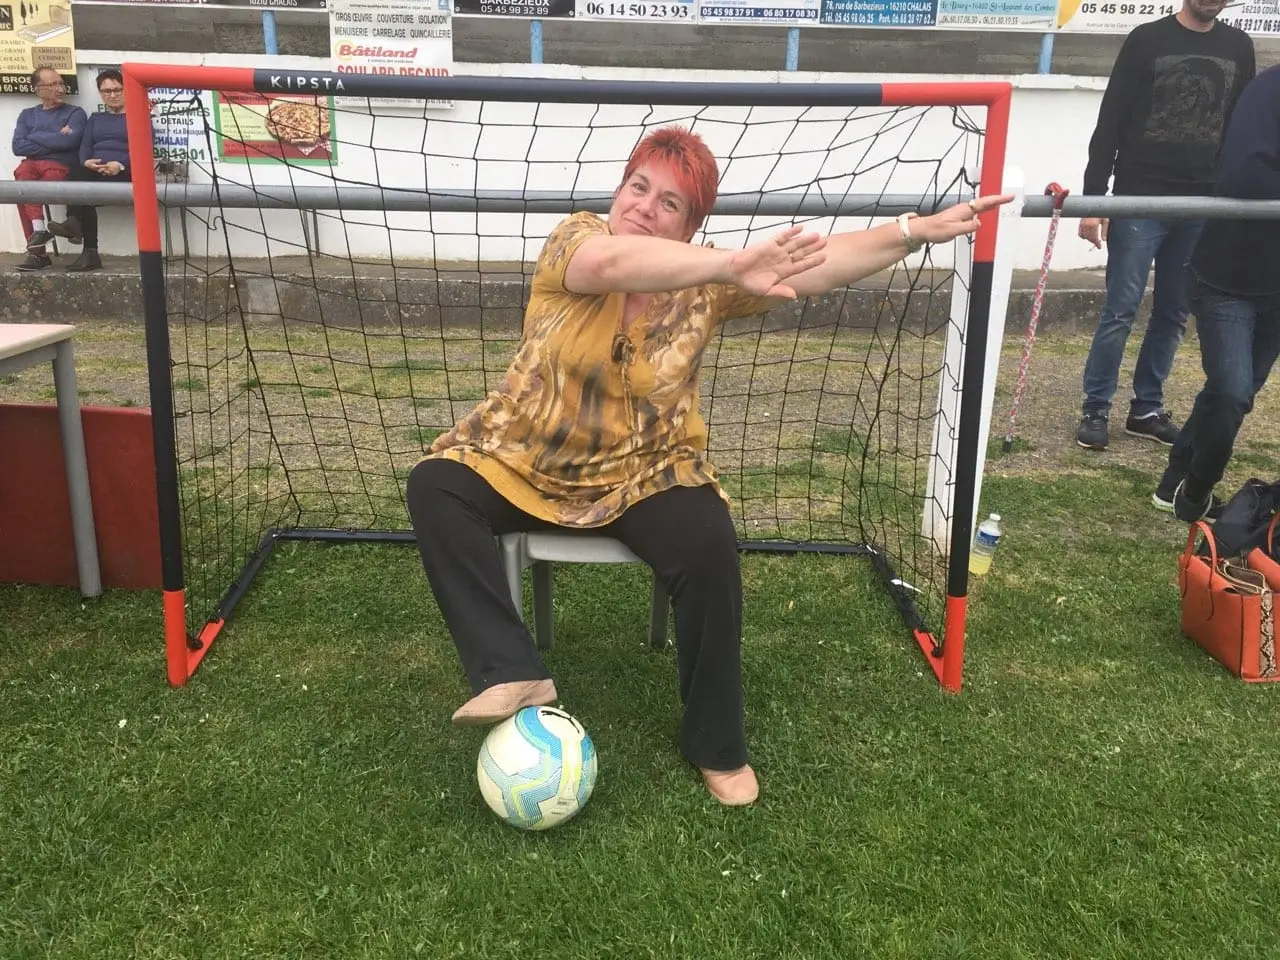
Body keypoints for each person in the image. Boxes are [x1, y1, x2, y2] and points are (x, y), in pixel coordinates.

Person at [405, 125, 1011, 807]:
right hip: (524, 459)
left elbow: (817, 264)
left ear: (691, 226)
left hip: (644, 472)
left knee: (707, 542)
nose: (644, 206)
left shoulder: (705, 283)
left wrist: (912, 230)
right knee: (436, 485)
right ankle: (510, 669)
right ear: (618, 190)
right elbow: (610, 263)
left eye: (669, 203)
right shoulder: (574, 239)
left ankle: (715, 743)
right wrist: (730, 263)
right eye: (638, 187)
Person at [1074, 0, 1255, 451]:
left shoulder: (1239, 46)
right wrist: (1094, 200)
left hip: (1203, 203)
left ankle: (1146, 409)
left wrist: (1235, 202)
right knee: (1120, 309)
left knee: (1174, 312)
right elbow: (1110, 119)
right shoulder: (1146, 39)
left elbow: (1242, 127)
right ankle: (1096, 408)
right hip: (1140, 199)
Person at [1154, 64, 1280, 522]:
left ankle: (1174, 482)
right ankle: (1196, 491)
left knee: (1231, 395)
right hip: (1227, 279)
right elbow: (1242, 176)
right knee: (1231, 392)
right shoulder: (1268, 90)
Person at [11, 65, 86, 272]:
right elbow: (18, 146)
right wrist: (56, 137)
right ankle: (38, 247)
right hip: (31, 165)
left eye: (61, 83)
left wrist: (34, 137)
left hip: (60, 165)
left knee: (30, 190)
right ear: (38, 90)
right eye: (53, 84)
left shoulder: (75, 113)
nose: (60, 89)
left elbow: (70, 142)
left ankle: (38, 243)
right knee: (21, 179)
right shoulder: (27, 115)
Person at [54, 69, 131, 272]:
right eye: (106, 91)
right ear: (100, 93)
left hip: (125, 173)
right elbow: (85, 147)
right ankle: (75, 226)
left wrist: (119, 164)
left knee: (83, 190)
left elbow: (143, 149)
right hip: (94, 171)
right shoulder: (96, 118)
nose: (112, 95)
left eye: (117, 90)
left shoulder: (139, 117)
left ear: (126, 90)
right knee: (79, 177)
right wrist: (87, 162)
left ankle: (80, 236)